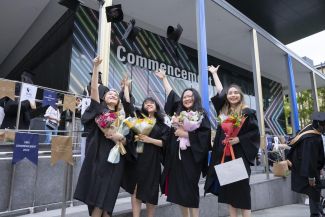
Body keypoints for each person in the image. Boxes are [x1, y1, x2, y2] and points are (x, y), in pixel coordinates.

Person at [74, 56, 132, 217]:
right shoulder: (98, 110)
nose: (113, 94)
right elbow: (93, 90)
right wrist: (95, 69)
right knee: (97, 202)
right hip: (100, 159)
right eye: (109, 93)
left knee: (108, 203)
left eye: (115, 94)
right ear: (103, 98)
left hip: (116, 163)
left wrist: (121, 137)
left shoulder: (122, 118)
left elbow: (128, 141)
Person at [204, 65, 260, 217]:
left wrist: (239, 139)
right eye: (230, 93)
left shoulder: (247, 112)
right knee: (229, 192)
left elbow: (254, 134)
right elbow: (220, 92)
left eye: (236, 93)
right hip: (225, 157)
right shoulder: (224, 112)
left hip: (240, 156)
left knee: (242, 192)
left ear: (241, 95)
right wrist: (215, 74)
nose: (233, 95)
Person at [155, 69, 211, 217]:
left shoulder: (201, 114)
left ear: (195, 98)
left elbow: (204, 137)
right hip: (176, 159)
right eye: (184, 97)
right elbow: (172, 96)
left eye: (190, 96)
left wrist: (185, 134)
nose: (186, 99)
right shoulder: (179, 113)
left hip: (191, 159)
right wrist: (164, 79)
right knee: (178, 191)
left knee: (190, 189)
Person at [122, 90, 169, 217]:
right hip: (138, 158)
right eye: (146, 103)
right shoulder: (138, 120)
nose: (149, 104)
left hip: (153, 160)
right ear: (143, 107)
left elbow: (165, 143)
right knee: (136, 189)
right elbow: (128, 106)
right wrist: (126, 88)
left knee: (151, 191)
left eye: (151, 103)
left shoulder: (162, 125)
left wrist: (149, 140)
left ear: (156, 107)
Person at [287, 112, 325, 217]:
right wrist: (311, 176)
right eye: (324, 126)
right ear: (319, 125)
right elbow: (310, 159)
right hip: (308, 170)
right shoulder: (312, 138)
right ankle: (316, 213)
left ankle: (318, 211)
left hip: (305, 168)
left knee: (314, 192)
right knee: (314, 190)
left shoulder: (309, 129)